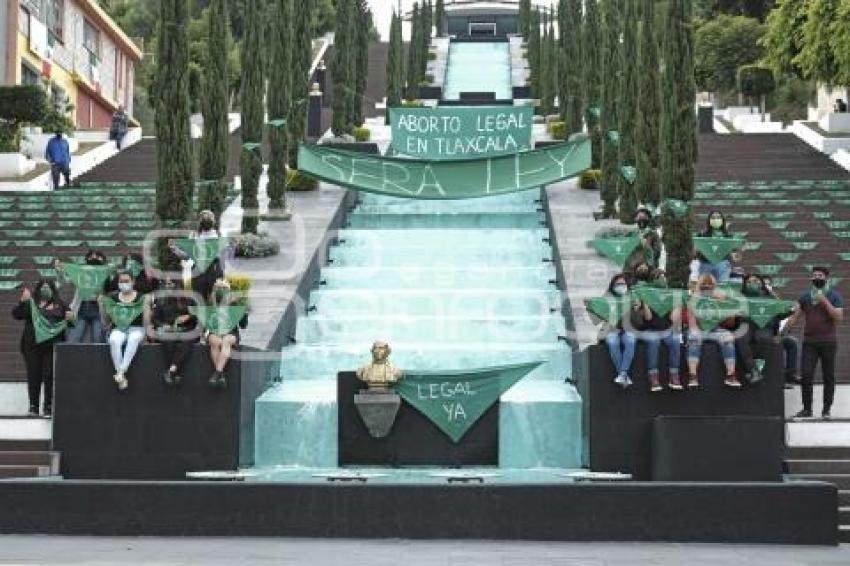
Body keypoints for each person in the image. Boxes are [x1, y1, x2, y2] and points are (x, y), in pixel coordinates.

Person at [785, 267, 844, 419]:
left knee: (828, 376)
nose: (817, 277)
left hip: (828, 342)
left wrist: (825, 302)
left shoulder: (834, 295)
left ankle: (826, 409)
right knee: (806, 375)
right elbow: (795, 316)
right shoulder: (805, 296)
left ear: (826, 278)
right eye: (814, 275)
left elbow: (839, 317)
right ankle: (807, 409)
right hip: (809, 342)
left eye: (820, 275)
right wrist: (782, 331)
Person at [12, 280, 73, 416]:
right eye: (42, 287)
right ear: (38, 289)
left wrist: (71, 318)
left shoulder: (60, 304)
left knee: (49, 376)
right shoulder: (31, 302)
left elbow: (70, 322)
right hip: (31, 346)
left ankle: (48, 407)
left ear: (52, 289)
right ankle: (33, 407)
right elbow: (16, 315)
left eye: (48, 287)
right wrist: (22, 301)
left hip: (51, 346)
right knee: (33, 376)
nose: (45, 289)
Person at [686, 274, 740, 388]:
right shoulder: (693, 299)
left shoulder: (720, 298)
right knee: (693, 338)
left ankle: (731, 375)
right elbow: (689, 321)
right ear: (699, 286)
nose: (707, 286)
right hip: (698, 329)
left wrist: (729, 312)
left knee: (728, 338)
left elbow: (729, 324)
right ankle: (692, 375)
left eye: (710, 284)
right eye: (704, 284)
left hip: (715, 330)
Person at [101, 271, 148, 391]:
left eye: (126, 281)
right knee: (114, 340)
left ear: (133, 282)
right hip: (119, 328)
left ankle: (121, 372)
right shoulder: (112, 298)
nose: (123, 284)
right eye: (121, 281)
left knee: (134, 338)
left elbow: (146, 320)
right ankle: (120, 375)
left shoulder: (142, 297)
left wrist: (147, 333)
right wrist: (101, 307)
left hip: (137, 328)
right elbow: (106, 322)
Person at [147, 280, 198, 387]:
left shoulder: (191, 301)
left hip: (187, 329)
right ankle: (174, 371)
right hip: (169, 330)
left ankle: (172, 370)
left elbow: (199, 317)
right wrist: (163, 325)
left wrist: (189, 316)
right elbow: (155, 319)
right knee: (168, 340)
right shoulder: (162, 301)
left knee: (187, 340)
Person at [639, 269, 683, 392]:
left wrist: (677, 304)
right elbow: (648, 318)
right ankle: (653, 377)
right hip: (650, 330)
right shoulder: (646, 294)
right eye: (659, 278)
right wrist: (646, 302)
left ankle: (674, 375)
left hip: (667, 330)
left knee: (675, 340)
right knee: (654, 342)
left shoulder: (670, 296)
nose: (662, 281)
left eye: (664, 278)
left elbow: (673, 319)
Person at [170, 210, 227, 301]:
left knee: (209, 299)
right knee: (206, 299)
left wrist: (175, 250)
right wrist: (175, 249)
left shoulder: (215, 234)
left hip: (208, 270)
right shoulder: (197, 235)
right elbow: (187, 256)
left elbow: (186, 256)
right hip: (206, 270)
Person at [204, 279, 248, 388]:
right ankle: (221, 375)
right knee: (215, 341)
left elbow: (243, 325)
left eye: (223, 288)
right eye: (218, 288)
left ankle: (217, 373)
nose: (220, 291)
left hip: (231, 333)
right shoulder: (210, 303)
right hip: (215, 332)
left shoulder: (234, 303)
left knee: (226, 341)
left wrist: (244, 313)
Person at [601, 274, 643, 389]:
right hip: (612, 330)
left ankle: (622, 374)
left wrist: (635, 310)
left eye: (623, 284)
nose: (621, 286)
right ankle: (623, 375)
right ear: (613, 286)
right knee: (612, 341)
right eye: (618, 284)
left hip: (628, 330)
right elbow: (601, 317)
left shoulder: (634, 299)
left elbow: (639, 323)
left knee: (630, 340)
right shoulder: (608, 299)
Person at [734, 274, 775, 385]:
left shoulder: (768, 296)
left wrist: (772, 294)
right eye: (749, 282)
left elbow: (781, 310)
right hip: (746, 324)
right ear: (745, 284)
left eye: (756, 281)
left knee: (763, 338)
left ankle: (756, 369)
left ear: (761, 284)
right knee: (740, 337)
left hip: (763, 325)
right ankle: (753, 370)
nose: (753, 283)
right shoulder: (739, 297)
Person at [62, 250, 109, 343]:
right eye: (91, 257)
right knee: (73, 339)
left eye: (97, 257)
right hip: (81, 309)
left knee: (98, 339)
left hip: (98, 310)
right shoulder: (80, 273)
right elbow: (65, 280)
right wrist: (59, 271)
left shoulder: (106, 274)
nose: (94, 259)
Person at [762, 275, 800, 388]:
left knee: (792, 342)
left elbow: (783, 312)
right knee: (777, 344)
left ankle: (790, 375)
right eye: (764, 284)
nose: (766, 286)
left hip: (774, 333)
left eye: (769, 284)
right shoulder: (756, 297)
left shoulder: (773, 297)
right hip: (761, 334)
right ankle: (780, 379)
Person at [695, 210, 739, 284]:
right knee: (705, 287)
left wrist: (736, 254)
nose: (716, 220)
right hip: (706, 264)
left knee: (722, 287)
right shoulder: (702, 235)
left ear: (722, 220)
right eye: (713, 218)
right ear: (709, 220)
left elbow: (734, 256)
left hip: (722, 265)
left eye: (718, 217)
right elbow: (696, 252)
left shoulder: (728, 236)